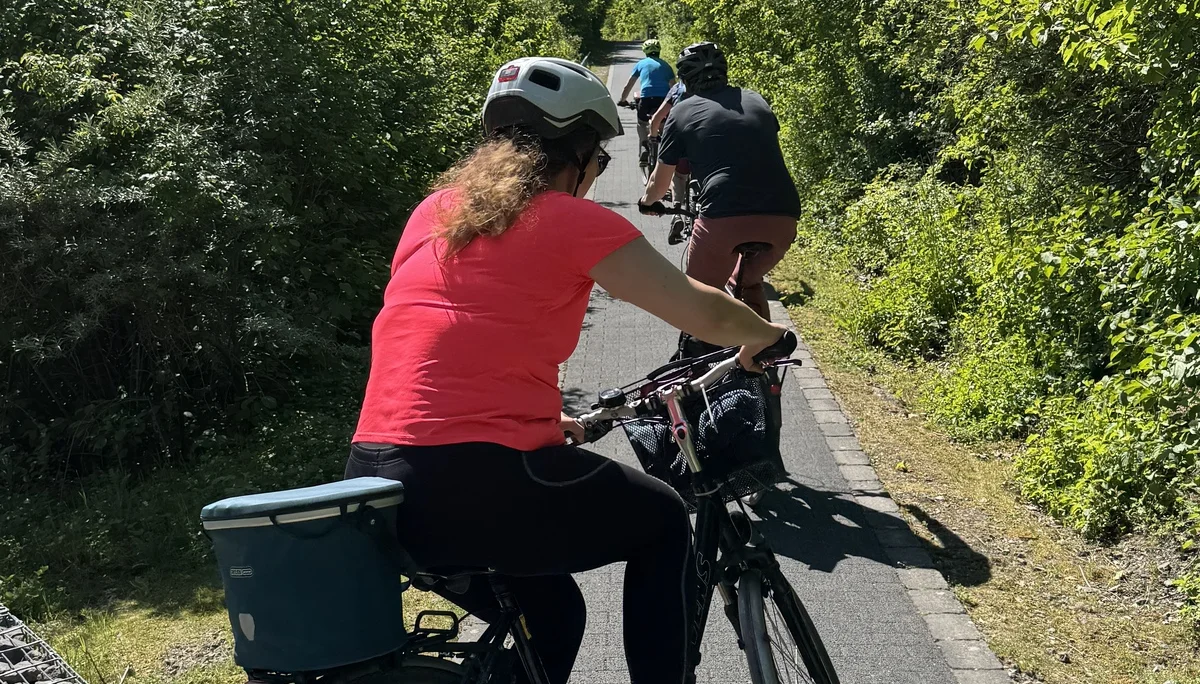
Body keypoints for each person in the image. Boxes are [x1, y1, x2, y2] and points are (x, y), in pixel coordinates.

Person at [348, 56, 789, 684]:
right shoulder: (569, 220)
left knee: (553, 616)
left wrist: (539, 419)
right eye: (601, 159)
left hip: (378, 484)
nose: (598, 172)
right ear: (578, 153)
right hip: (478, 478)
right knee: (663, 522)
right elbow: (701, 309)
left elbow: (442, 336)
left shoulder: (435, 213)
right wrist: (765, 336)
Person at [638, 42, 802, 321]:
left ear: (685, 80)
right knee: (747, 282)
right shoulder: (756, 99)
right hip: (783, 216)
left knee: (699, 294)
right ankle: (765, 345)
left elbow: (660, 183)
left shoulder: (682, 111)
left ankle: (699, 345)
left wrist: (647, 202)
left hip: (724, 215)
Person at [618, 39, 675, 163]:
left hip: (646, 99)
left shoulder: (641, 64)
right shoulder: (666, 66)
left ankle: (644, 146)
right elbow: (673, 86)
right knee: (663, 122)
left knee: (642, 123)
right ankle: (664, 147)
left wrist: (623, 100)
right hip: (663, 101)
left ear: (645, 51)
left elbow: (629, 84)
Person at [649, 81, 692, 244]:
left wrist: (653, 135)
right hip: (705, 143)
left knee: (678, 177)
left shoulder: (677, 89)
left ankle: (677, 213)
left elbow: (657, 117)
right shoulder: (714, 90)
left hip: (680, 141)